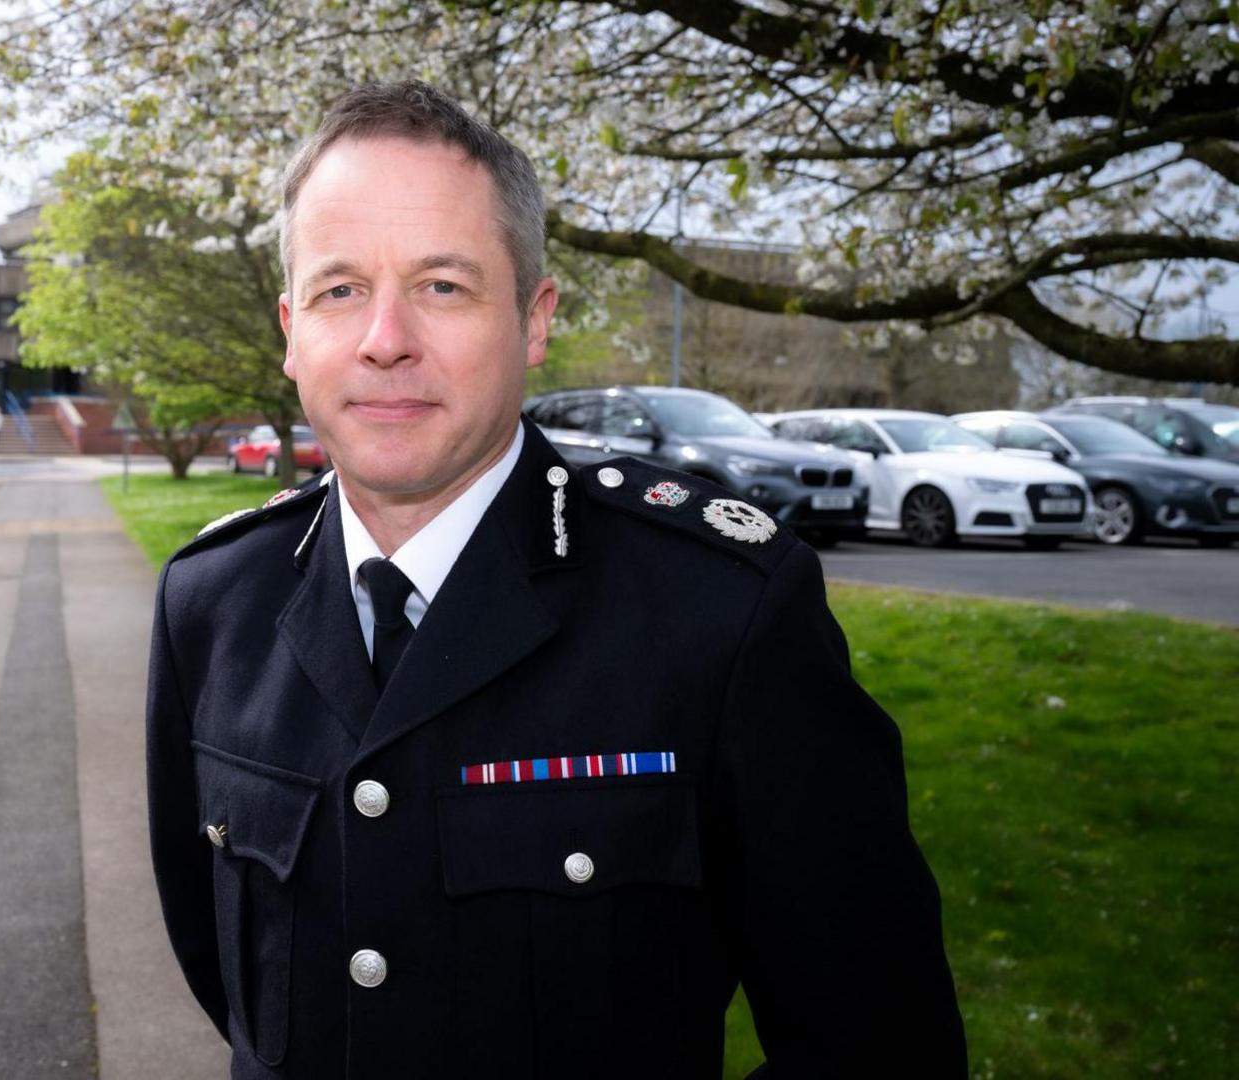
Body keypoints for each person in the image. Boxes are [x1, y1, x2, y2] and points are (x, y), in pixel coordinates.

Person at [146, 81, 966, 1078]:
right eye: (340, 289)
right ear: (290, 328)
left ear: (534, 321)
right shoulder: (213, 606)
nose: (384, 336)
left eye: (443, 285)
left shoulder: (721, 613)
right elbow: (230, 990)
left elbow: (880, 1040)